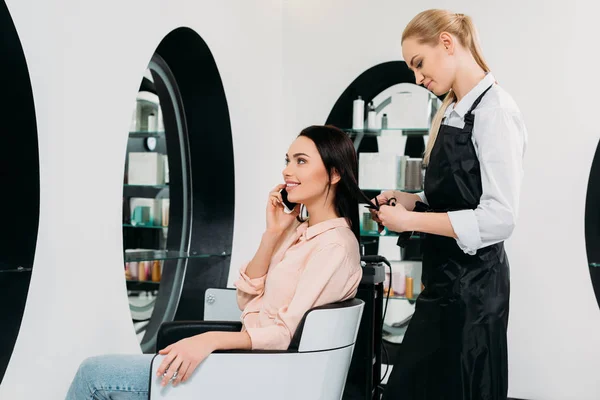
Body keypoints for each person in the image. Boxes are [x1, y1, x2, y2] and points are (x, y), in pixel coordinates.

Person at [65, 125, 366, 399]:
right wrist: (272, 235)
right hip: (248, 363)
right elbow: (245, 298)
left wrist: (209, 340)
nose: (288, 171)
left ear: (335, 173)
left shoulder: (334, 247)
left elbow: (284, 335)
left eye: (301, 161)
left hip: (259, 373)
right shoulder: (300, 232)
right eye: (287, 160)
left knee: (93, 374)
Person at [375, 9, 527, 400]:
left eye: (419, 64)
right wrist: (412, 200)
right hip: (443, 283)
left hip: (474, 295)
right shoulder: (454, 112)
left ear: (447, 42)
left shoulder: (496, 112)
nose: (417, 78)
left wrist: (410, 219)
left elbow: (499, 219)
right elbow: (455, 194)